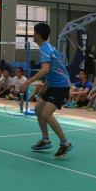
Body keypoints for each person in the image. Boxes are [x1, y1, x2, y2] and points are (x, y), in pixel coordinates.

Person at [19, 22, 73, 159]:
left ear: (38, 34)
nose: (32, 35)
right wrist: (43, 88)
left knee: (46, 114)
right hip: (54, 84)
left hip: (61, 85)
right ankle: (46, 140)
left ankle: (65, 143)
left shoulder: (44, 49)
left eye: (33, 32)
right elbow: (53, 70)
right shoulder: (47, 47)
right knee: (38, 109)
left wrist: (27, 82)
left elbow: (45, 70)